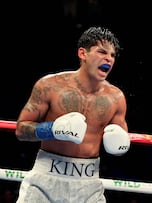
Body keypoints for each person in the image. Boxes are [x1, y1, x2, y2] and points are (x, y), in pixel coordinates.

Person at [15, 26, 131, 202]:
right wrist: (52, 129)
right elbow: (21, 130)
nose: (109, 58)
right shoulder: (50, 86)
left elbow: (118, 150)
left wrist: (121, 145)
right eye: (102, 52)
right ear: (82, 54)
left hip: (89, 183)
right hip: (46, 178)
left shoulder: (116, 97)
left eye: (113, 55)